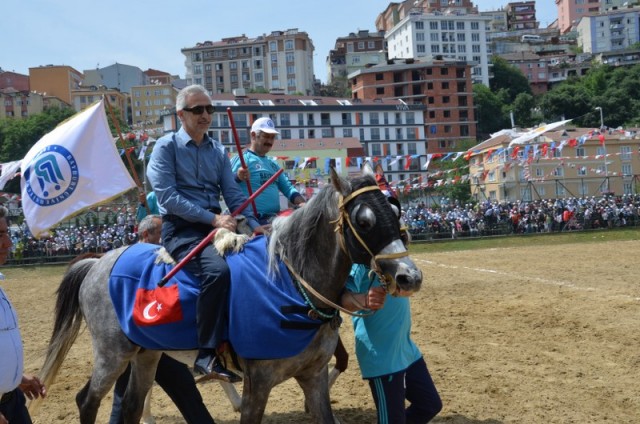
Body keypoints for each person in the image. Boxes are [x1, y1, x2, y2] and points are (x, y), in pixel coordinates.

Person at [147, 84, 265, 382]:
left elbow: (234, 196)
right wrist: (212, 218)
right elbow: (168, 197)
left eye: (209, 109)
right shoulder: (165, 147)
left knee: (255, 265)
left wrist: (254, 224)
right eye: (197, 109)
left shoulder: (218, 151)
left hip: (215, 226)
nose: (205, 115)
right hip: (181, 229)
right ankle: (206, 355)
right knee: (217, 273)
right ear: (180, 114)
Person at [340, 198, 442, 424]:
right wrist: (363, 299)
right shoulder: (360, 264)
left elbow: (405, 288)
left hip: (405, 349)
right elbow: (343, 299)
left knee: (430, 404)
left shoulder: (396, 261)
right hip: (382, 356)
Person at [109, 214, 215, 424]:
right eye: (160, 233)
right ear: (146, 234)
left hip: (158, 338)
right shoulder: (126, 261)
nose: (164, 237)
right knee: (125, 397)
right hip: (135, 337)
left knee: (185, 393)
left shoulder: (163, 258)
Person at [0, 206, 47, 424]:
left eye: (6, 233)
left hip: (13, 401)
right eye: (0, 235)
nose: (8, 242)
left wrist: (16, 378)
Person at [231, 117, 305, 225]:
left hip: (274, 220)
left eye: (272, 137)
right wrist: (237, 176)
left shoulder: (273, 164)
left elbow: (288, 189)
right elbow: (225, 183)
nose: (270, 141)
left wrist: (303, 204)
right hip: (250, 220)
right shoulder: (241, 159)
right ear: (253, 135)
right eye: (266, 136)